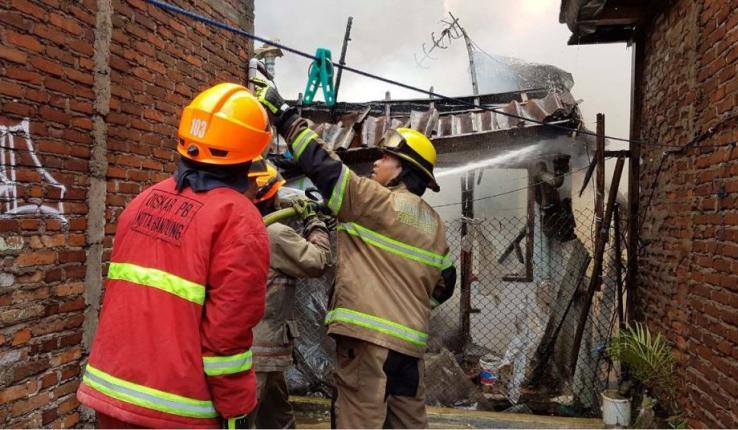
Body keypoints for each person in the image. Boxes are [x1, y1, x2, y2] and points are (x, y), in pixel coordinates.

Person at [252, 75, 457, 428]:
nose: (376, 163)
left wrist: (284, 114)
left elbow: (323, 166)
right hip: (409, 351)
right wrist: (405, 306)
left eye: (386, 157)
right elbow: (447, 283)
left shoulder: (375, 202)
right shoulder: (434, 224)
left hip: (367, 346)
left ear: (403, 170)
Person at [77, 83, 272, 429]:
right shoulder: (237, 219)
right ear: (252, 152)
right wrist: (237, 409)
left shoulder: (144, 200)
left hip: (112, 396)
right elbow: (227, 334)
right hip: (178, 409)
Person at [245, 158, 333, 429]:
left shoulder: (244, 227)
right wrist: (314, 222)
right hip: (260, 351)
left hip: (258, 347)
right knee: (246, 417)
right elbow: (319, 260)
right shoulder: (274, 233)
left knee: (278, 417)